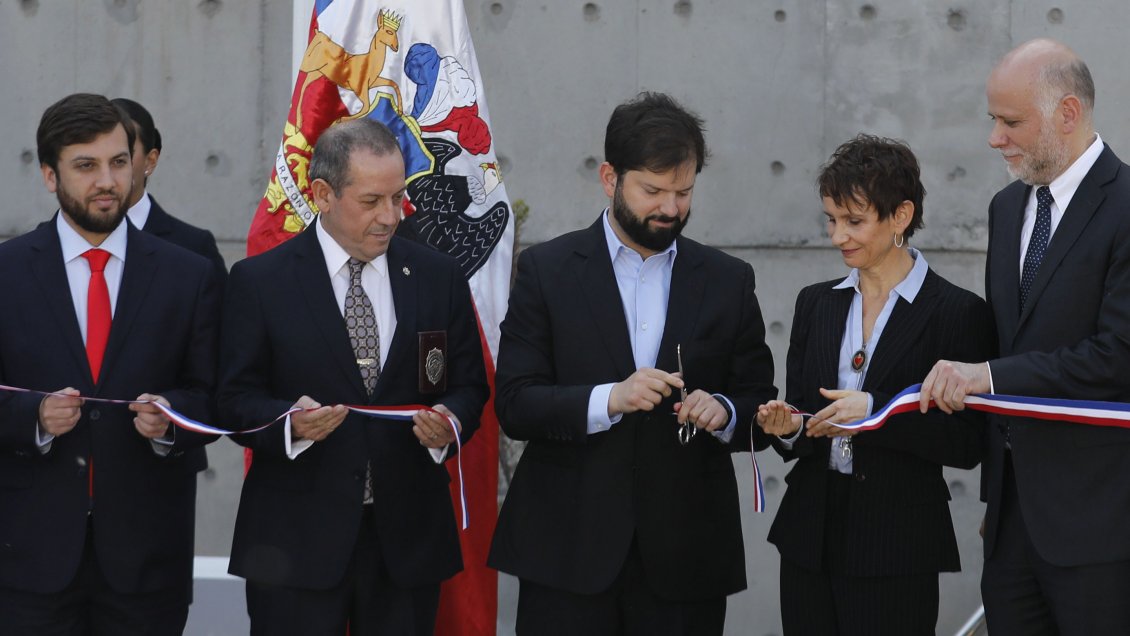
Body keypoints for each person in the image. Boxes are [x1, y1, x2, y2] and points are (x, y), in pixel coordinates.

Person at [488, 92, 776, 635]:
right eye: (653, 190)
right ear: (609, 178)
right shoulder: (547, 271)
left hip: (687, 558)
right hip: (567, 554)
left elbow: (759, 397)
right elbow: (516, 403)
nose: (670, 208)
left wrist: (724, 411)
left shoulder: (727, 280)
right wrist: (610, 399)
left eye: (684, 192)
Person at [217, 118, 489, 636]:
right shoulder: (261, 282)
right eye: (371, 201)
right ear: (323, 194)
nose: (390, 216)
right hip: (294, 543)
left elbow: (469, 386)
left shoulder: (438, 276)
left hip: (406, 544)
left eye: (398, 197)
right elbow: (232, 399)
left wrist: (449, 422)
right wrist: (289, 423)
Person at [920, 38, 1130, 634]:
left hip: (1101, 529)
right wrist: (1002, 496)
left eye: (1011, 122)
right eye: (993, 120)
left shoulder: (1127, 207)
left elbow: (1119, 355)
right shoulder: (1006, 208)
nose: (995, 139)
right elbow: (1009, 339)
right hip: (1010, 525)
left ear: (1068, 113)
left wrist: (986, 378)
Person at [0, 93, 221, 634]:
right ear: (49, 176)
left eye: (119, 162)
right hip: (27, 562)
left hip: (148, 565)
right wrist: (33, 416)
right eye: (86, 166)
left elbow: (217, 396)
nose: (107, 181)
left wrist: (172, 419)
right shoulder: (7, 272)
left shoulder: (188, 274)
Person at [756, 134, 994, 635]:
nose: (837, 236)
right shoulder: (815, 303)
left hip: (897, 542)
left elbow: (968, 443)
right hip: (808, 537)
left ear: (901, 215)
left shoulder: (958, 312)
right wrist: (788, 427)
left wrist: (876, 411)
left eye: (853, 221)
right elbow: (803, 412)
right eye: (831, 219)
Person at [110, 97, 228, 283]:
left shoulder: (194, 247)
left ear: (150, 161)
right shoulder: (61, 239)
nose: (105, 171)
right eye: (91, 159)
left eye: (120, 158)